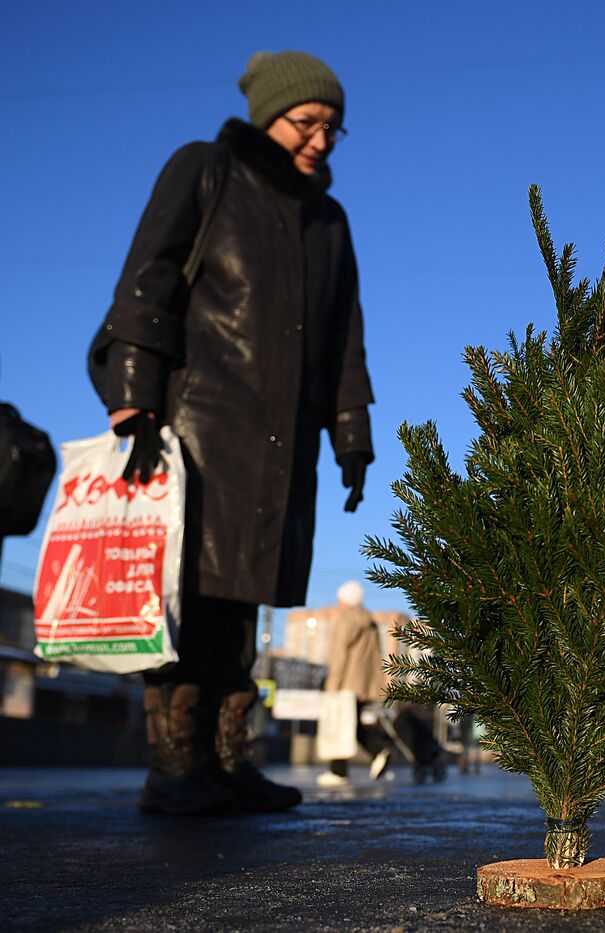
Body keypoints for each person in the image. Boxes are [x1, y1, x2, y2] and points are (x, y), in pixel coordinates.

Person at [88, 51, 374, 815]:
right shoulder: (206, 169)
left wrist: (353, 434)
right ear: (269, 113)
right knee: (191, 593)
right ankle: (175, 767)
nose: (321, 140)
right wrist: (132, 398)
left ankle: (226, 759)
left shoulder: (329, 219)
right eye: (308, 122)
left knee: (248, 596)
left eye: (333, 129)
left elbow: (345, 335)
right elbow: (146, 280)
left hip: (285, 439)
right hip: (198, 423)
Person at [318, 580, 391, 785]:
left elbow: (339, 654)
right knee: (353, 724)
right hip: (363, 683)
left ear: (344, 599)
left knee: (340, 725)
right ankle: (378, 751)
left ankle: (339, 772)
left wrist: (332, 683)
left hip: (345, 682)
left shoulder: (347, 619)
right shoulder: (370, 621)